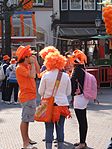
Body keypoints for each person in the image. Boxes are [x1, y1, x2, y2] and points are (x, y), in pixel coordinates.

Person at [38, 49, 71, 149]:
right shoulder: (65, 76)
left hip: (48, 105)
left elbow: (40, 91)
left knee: (48, 128)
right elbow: (68, 92)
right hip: (62, 105)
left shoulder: (46, 75)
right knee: (60, 128)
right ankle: (60, 147)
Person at [15, 45, 40, 149]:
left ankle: (27, 139)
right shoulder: (20, 68)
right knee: (25, 119)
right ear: (25, 57)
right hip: (26, 96)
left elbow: (38, 72)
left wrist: (35, 61)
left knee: (28, 118)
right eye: (29, 55)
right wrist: (33, 63)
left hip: (30, 95)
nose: (31, 56)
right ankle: (25, 144)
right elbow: (32, 75)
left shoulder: (27, 66)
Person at [71, 49, 89, 149]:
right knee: (83, 119)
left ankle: (82, 143)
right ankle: (82, 141)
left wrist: (72, 93)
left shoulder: (77, 69)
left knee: (81, 120)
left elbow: (72, 81)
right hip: (84, 97)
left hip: (79, 97)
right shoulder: (83, 68)